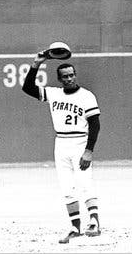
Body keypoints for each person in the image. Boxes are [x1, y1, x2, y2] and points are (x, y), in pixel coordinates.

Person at [22, 51, 102, 244]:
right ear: (59, 79)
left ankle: (94, 222)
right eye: (65, 76)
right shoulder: (54, 93)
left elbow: (95, 124)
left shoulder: (86, 96)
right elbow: (27, 88)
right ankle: (75, 227)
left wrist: (89, 150)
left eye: (71, 75)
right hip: (61, 144)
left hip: (80, 142)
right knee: (67, 186)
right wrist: (36, 63)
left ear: (75, 75)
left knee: (84, 182)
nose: (69, 78)